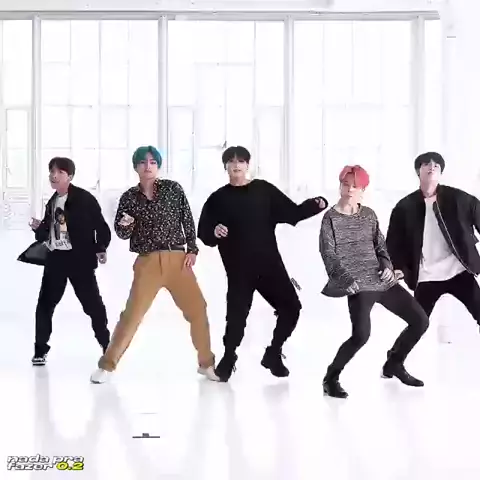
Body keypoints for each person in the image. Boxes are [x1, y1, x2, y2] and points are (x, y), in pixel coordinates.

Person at [197, 145, 328, 382]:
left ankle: (274, 352)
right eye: (231, 161)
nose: (236, 165)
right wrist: (214, 231)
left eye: (241, 161)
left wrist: (316, 204)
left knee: (292, 308)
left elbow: (292, 213)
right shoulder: (217, 199)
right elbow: (204, 233)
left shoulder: (263, 191)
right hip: (239, 271)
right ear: (225, 166)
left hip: (269, 267)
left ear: (248, 164)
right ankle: (229, 358)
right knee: (236, 317)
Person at [90, 146, 218, 384]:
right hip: (147, 261)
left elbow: (187, 219)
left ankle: (207, 364)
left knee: (198, 309)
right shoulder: (129, 197)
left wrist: (192, 249)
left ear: (158, 165)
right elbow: (122, 233)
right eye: (142, 162)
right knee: (132, 315)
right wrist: (127, 224)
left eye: (152, 162)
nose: (147, 166)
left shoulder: (173, 189)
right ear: (136, 167)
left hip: (178, 259)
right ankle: (107, 365)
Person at [320, 165, 429, 399]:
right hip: (357, 285)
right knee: (361, 335)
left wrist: (388, 267)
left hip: (381, 280)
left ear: (363, 190)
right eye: (346, 185)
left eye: (355, 186)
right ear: (340, 186)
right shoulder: (330, 218)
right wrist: (346, 279)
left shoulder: (369, 215)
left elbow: (380, 247)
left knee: (420, 321)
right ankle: (330, 378)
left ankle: (394, 363)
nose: (350, 190)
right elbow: (328, 254)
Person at [29, 157, 112, 366]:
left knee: (93, 305)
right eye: (51, 172)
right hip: (56, 259)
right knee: (45, 305)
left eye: (60, 172)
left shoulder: (84, 199)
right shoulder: (52, 202)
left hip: (79, 260)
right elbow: (46, 234)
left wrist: (101, 248)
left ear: (70, 176)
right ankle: (40, 350)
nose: (53, 176)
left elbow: (101, 226)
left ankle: (107, 345)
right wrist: (39, 228)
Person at [386, 152, 480, 327]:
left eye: (436, 165)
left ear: (441, 172)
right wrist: (398, 268)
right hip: (426, 276)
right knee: (417, 325)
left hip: (458, 271)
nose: (431, 167)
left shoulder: (458, 199)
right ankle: (399, 348)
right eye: (426, 164)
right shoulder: (404, 207)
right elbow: (393, 243)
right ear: (418, 171)